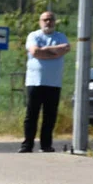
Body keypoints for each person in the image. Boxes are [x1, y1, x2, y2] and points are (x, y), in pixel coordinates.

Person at [19, 11, 70, 153]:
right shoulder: (33, 36)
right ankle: (27, 145)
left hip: (53, 83)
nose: (48, 22)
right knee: (32, 115)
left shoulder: (60, 36)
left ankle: (46, 145)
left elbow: (65, 49)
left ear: (55, 21)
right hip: (34, 82)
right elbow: (35, 52)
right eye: (45, 20)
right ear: (40, 21)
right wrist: (52, 52)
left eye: (51, 19)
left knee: (50, 116)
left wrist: (45, 50)